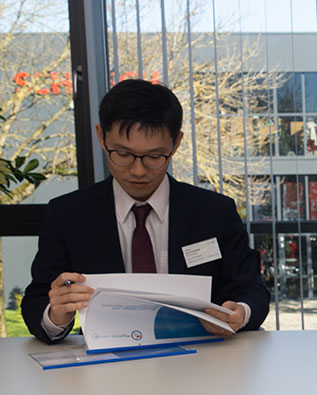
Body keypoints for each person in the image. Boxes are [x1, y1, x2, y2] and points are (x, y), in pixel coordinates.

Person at [22, 79, 271, 344]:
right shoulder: (68, 214)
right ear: (101, 136)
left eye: (154, 156)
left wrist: (240, 313)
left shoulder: (214, 212)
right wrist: (57, 314)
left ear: (176, 144)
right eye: (123, 154)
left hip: (201, 363)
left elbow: (251, 289)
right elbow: (37, 301)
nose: (138, 170)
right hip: (105, 367)